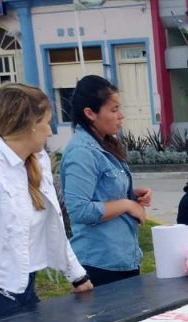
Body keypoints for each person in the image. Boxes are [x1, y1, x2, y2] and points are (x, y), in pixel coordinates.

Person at [0, 84, 92, 322]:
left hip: (25, 288)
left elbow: (54, 227)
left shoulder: (39, 161)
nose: (49, 131)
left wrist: (78, 277)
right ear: (30, 124)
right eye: (46, 122)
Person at [61, 75, 151, 287]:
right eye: (113, 110)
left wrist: (132, 195)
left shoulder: (105, 144)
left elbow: (102, 194)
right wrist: (127, 205)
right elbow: (79, 210)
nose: (121, 116)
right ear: (90, 113)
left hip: (122, 258)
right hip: (99, 263)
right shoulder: (82, 151)